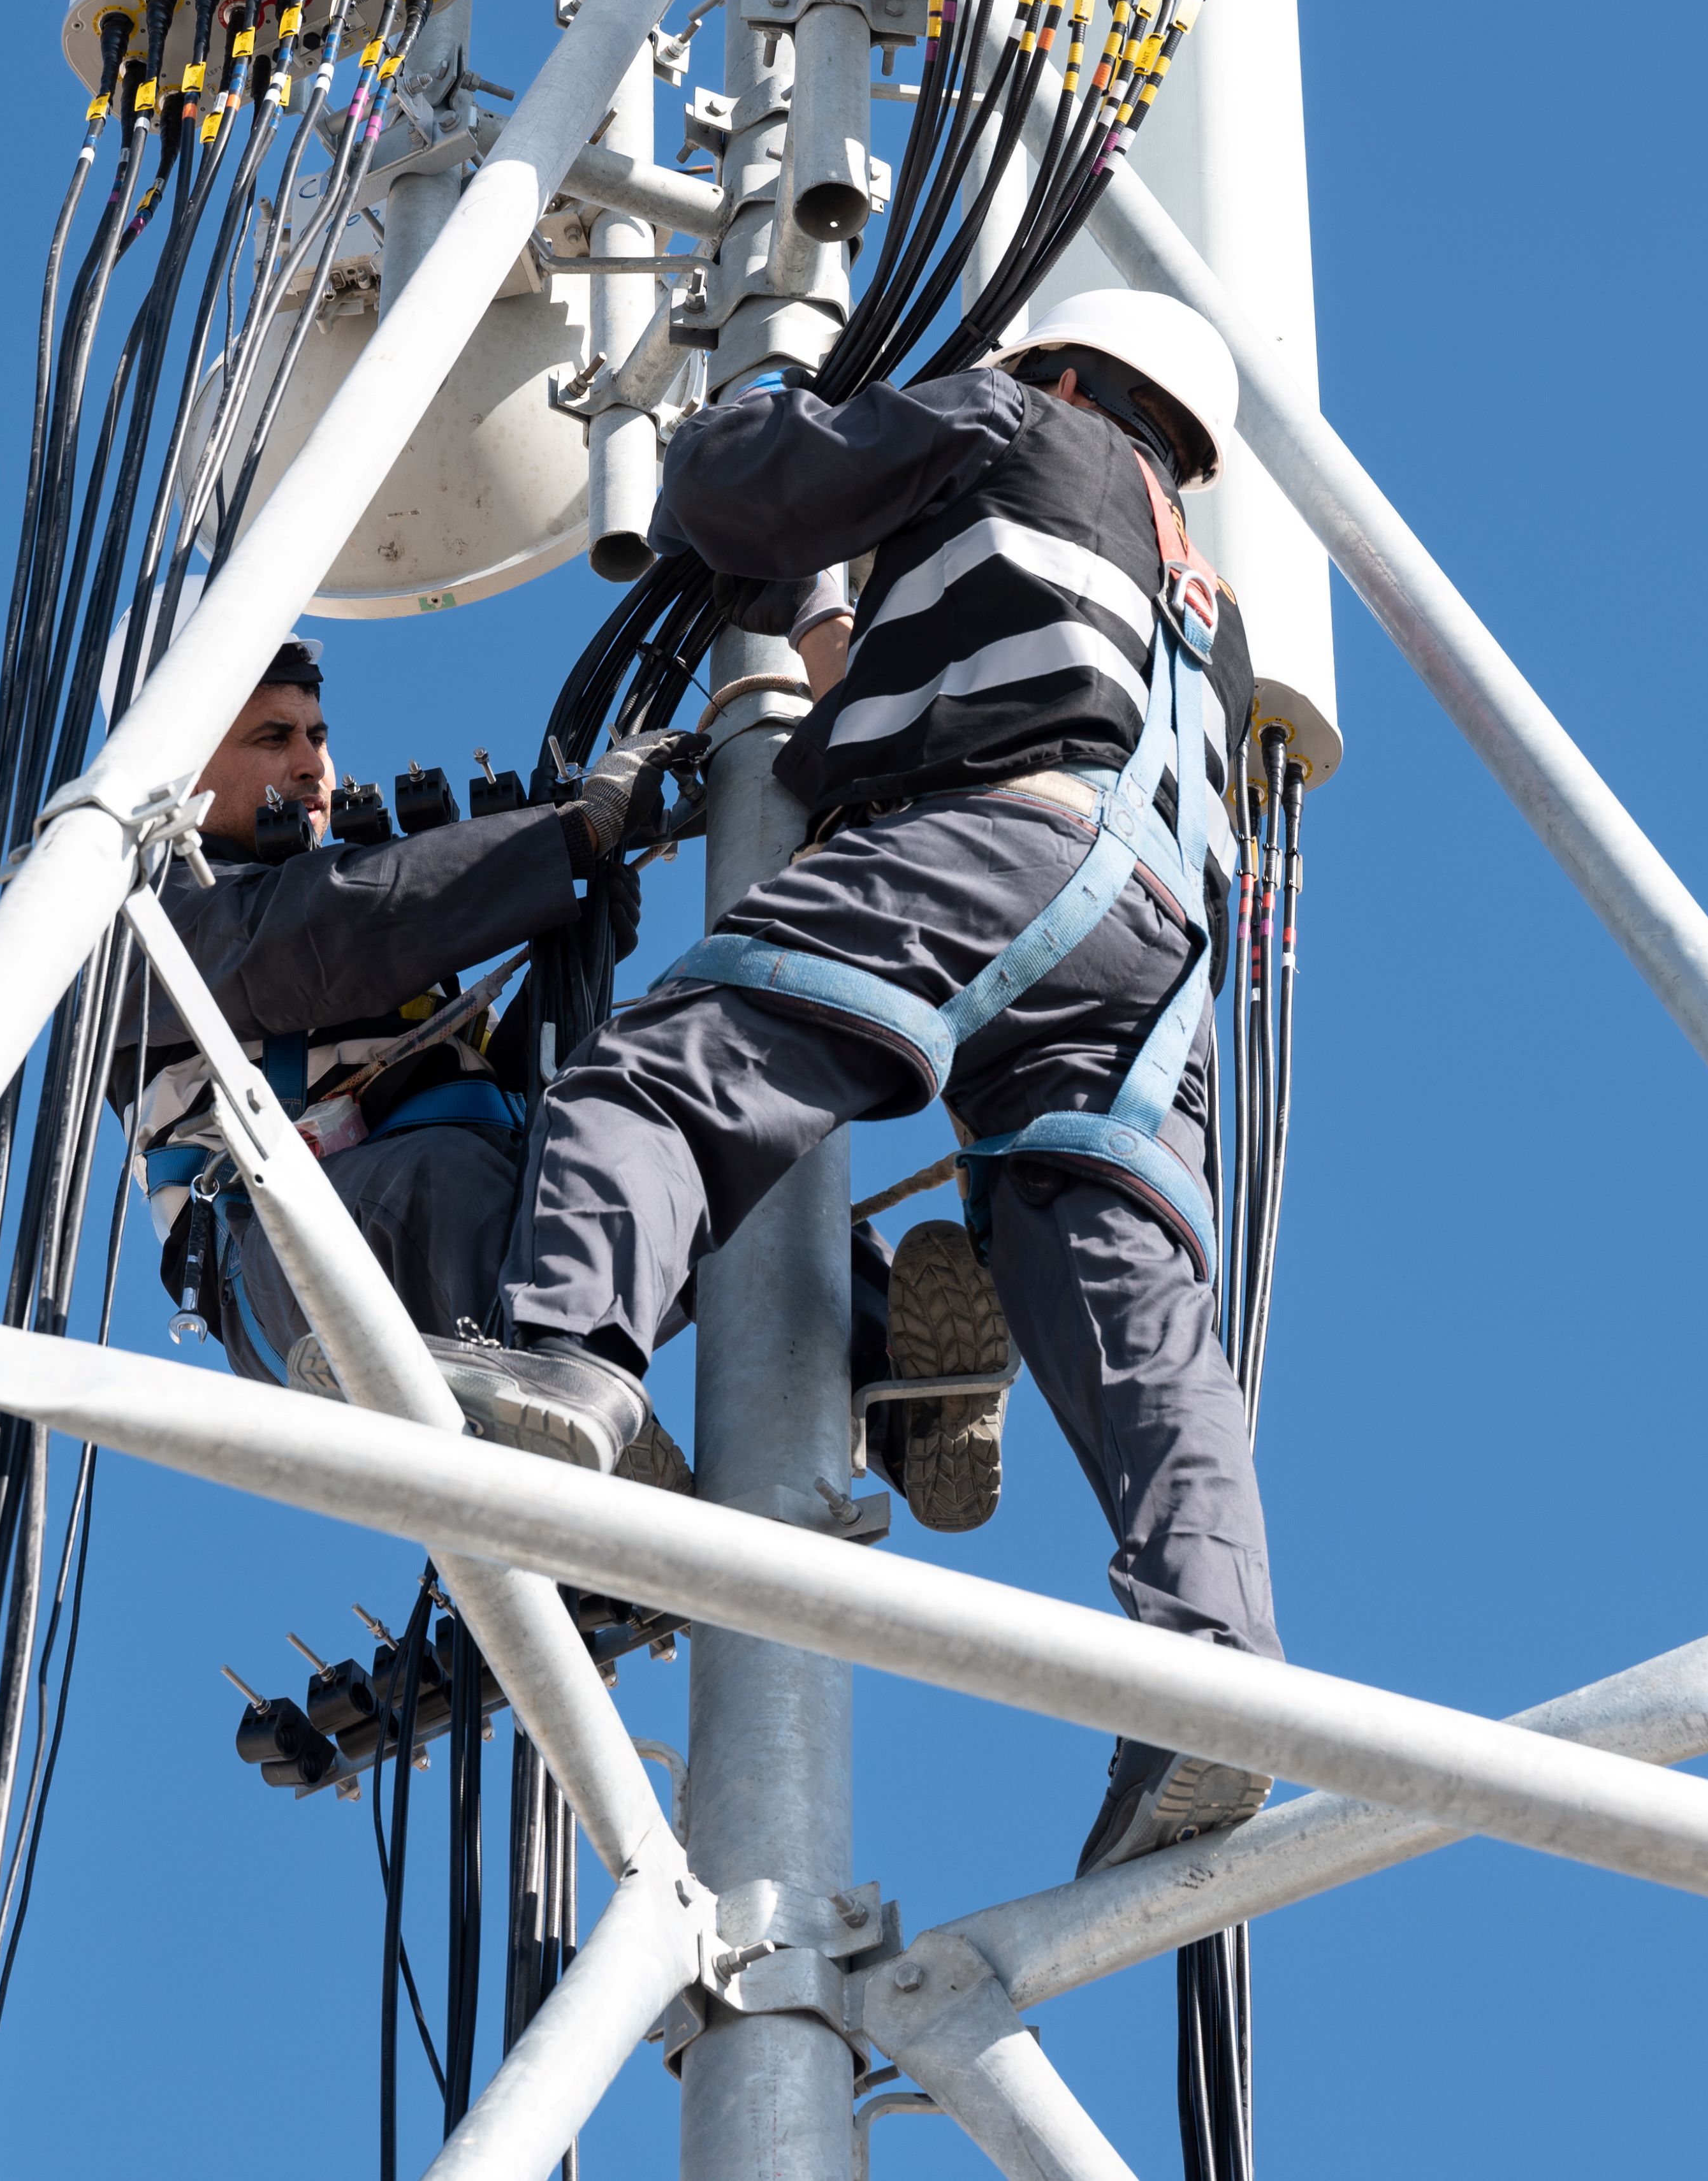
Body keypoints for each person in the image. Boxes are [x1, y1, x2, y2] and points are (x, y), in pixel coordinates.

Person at [478, 289, 1284, 1876]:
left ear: (1060, 369)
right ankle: (1214, 1673)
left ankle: (565, 1371)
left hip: (997, 843)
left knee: (657, 1077)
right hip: (1154, 971)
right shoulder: (1209, 600)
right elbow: (921, 684)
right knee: (1140, 1329)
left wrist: (764, 395)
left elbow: (745, 492)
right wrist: (841, 645)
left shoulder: (1011, 419)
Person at [119, 635, 704, 1471]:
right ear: (180, 776)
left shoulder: (378, 935)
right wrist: (560, 841)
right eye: (273, 738)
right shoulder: (138, 925)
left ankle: (886, 1365)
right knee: (441, 1176)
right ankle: (578, 1482)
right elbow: (315, 939)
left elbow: (509, 1094)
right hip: (295, 1257)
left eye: (317, 736)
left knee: (677, 1102)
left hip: (455, 1207)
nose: (311, 764)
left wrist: (577, 940)